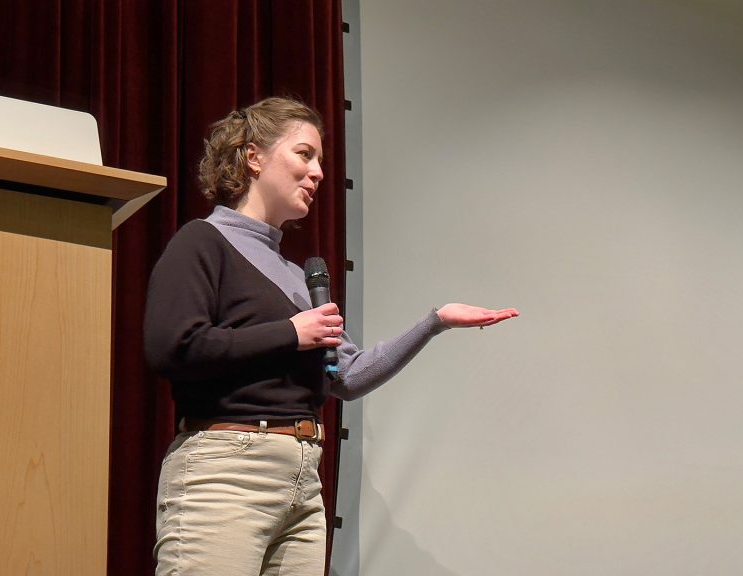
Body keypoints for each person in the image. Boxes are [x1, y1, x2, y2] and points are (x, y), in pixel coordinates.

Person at [144, 96, 518, 576]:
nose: (319, 172)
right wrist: (289, 333)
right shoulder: (201, 242)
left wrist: (434, 321)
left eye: (320, 160)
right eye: (305, 154)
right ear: (253, 157)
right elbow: (172, 346)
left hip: (302, 479)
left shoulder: (294, 274)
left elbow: (346, 375)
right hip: (227, 473)